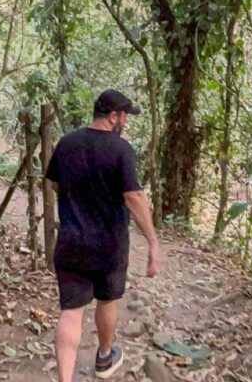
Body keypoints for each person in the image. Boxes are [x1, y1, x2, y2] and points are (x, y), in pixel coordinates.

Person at [44, 89, 163, 380]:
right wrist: (153, 242)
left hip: (71, 242)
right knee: (107, 300)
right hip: (109, 245)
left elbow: (54, 184)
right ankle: (104, 357)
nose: (125, 122)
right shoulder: (121, 150)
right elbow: (133, 196)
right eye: (124, 116)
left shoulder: (67, 142)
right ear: (114, 116)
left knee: (71, 311)